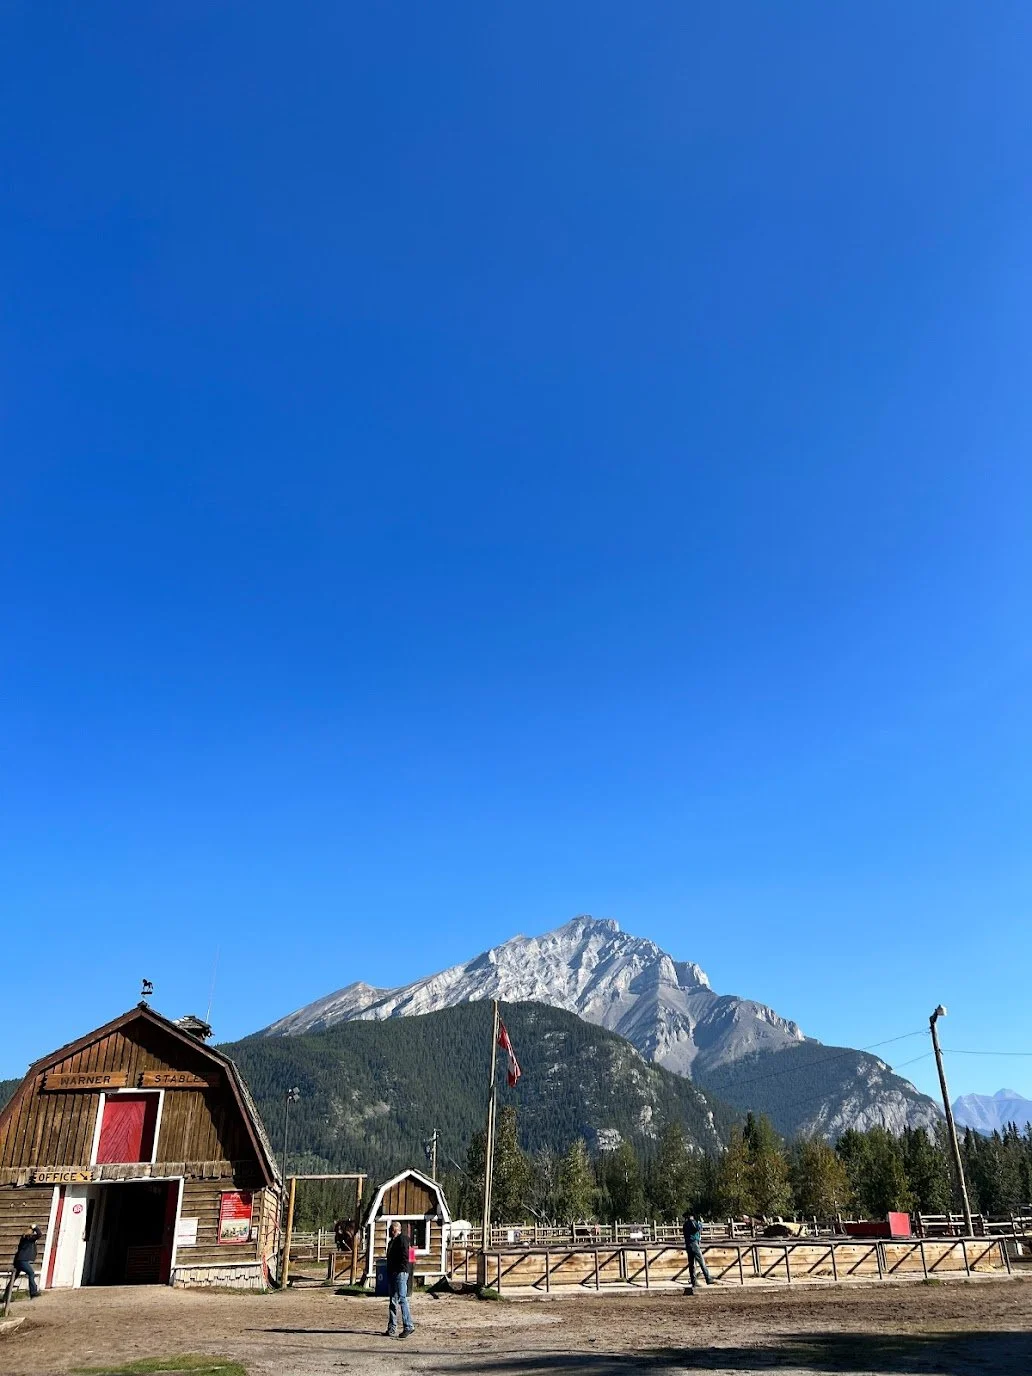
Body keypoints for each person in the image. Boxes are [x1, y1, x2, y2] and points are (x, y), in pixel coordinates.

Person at [383, 1221, 415, 1339]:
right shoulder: (392, 1242)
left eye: (391, 1229)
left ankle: (408, 1325)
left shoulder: (403, 1239)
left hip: (400, 1273)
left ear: (395, 1229)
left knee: (402, 1299)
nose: (390, 1232)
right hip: (393, 1273)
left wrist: (400, 1270)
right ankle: (392, 1327)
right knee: (393, 1300)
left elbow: (405, 1256)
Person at [682, 1211, 714, 1292]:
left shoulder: (685, 1225)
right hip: (694, 1244)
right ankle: (708, 1278)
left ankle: (694, 1280)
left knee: (691, 1263)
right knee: (701, 1261)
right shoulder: (692, 1222)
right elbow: (697, 1228)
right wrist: (701, 1224)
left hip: (688, 1244)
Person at [13, 1225, 43, 1299]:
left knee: (14, 1277)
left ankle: (5, 1297)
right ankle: (33, 1292)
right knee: (31, 1273)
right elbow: (39, 1234)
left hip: (19, 1260)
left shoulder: (24, 1238)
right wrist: (35, 1227)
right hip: (22, 1260)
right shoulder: (29, 1238)